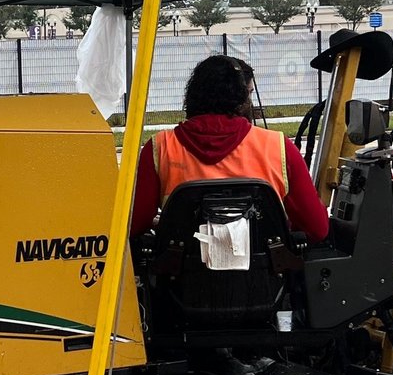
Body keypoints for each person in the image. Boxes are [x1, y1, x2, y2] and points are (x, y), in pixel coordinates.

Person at [128, 54, 329, 241]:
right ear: (241, 96)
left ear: (192, 94)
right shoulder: (279, 147)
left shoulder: (159, 148)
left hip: (180, 276)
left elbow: (134, 225)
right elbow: (318, 228)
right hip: (262, 276)